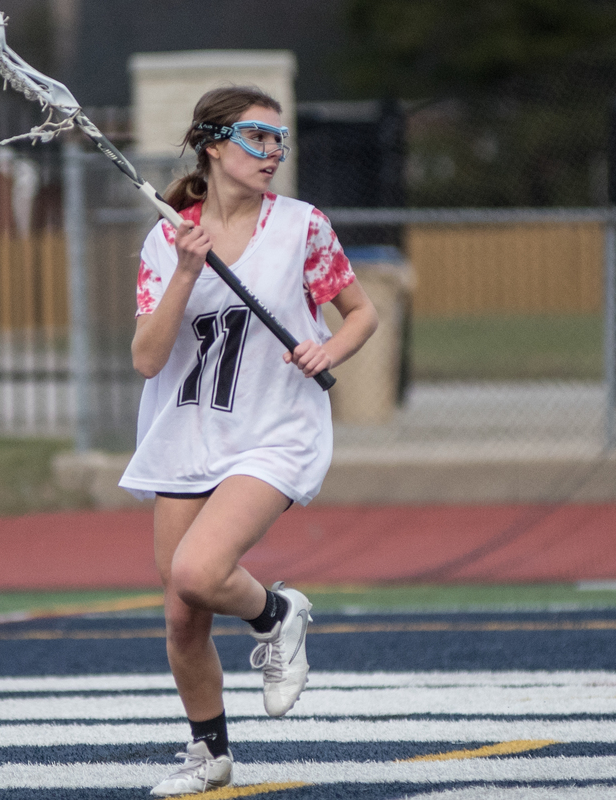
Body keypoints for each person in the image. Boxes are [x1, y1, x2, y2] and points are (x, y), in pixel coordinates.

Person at [118, 85, 378, 796]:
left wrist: (330, 349)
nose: (273, 153)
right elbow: (147, 358)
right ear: (212, 144)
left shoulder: (302, 227)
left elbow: (360, 313)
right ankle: (211, 754)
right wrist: (186, 271)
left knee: (199, 571)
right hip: (187, 434)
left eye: (278, 140)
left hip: (273, 430)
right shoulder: (166, 240)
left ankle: (277, 612)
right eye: (257, 138)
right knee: (183, 617)